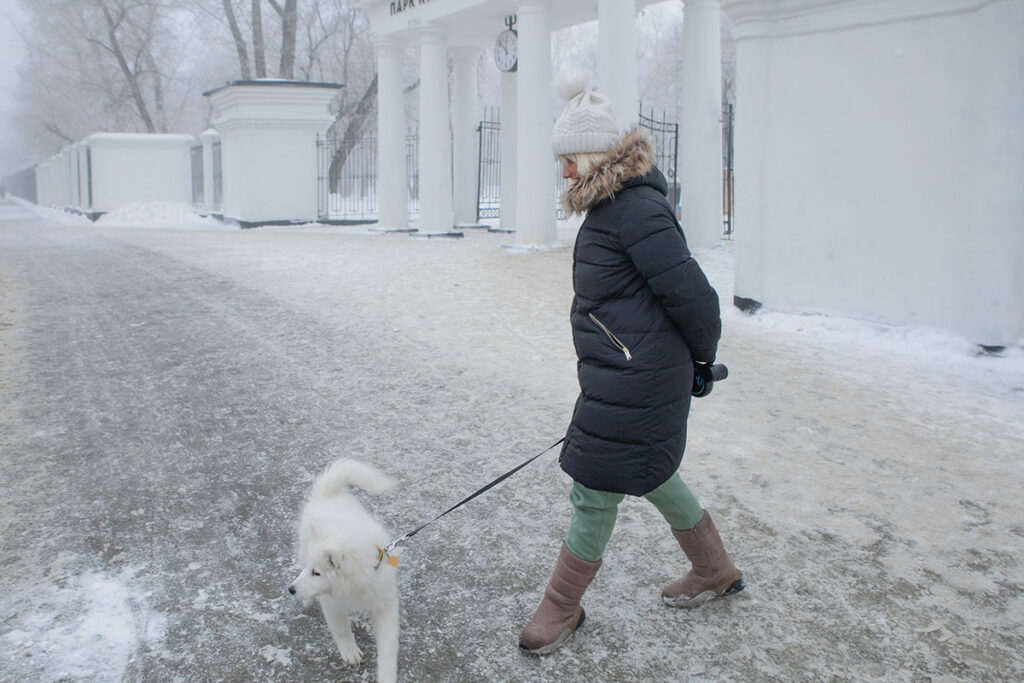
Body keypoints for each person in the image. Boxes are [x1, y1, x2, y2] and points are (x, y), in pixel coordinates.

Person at [518, 78, 745, 656]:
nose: (565, 173)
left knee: (595, 485)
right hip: (625, 372)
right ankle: (714, 568)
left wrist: (700, 360)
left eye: (570, 161)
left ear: (594, 155)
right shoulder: (615, 209)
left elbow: (694, 296)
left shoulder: (635, 208)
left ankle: (560, 609)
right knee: (653, 471)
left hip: (638, 375)